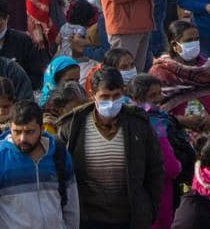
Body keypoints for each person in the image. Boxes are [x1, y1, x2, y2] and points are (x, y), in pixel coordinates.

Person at [54, 68, 165, 229]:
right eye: (105, 97)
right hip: (87, 220)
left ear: (124, 93)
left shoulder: (138, 123)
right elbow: (60, 173)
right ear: (92, 95)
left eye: (116, 96)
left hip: (130, 219)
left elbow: (155, 168)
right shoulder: (72, 126)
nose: (111, 102)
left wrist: (150, 209)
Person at [0, 97, 78, 229]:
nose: (23, 138)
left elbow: (71, 208)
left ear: (41, 129)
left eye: (29, 132)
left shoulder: (59, 155)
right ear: (10, 128)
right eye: (17, 132)